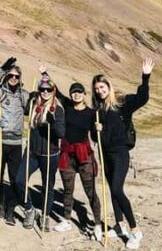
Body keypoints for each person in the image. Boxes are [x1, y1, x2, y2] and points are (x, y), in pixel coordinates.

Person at [92, 59, 154, 250]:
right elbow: (95, 137)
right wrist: (96, 130)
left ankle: (135, 230)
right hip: (105, 154)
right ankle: (120, 226)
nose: (99, 91)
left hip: (120, 153)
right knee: (112, 190)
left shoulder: (122, 103)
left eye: (102, 87)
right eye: (96, 89)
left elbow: (142, 98)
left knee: (117, 189)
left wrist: (145, 77)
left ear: (108, 86)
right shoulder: (98, 110)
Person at [13, 77, 65, 231]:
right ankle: (30, 209)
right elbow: (19, 103)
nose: (45, 92)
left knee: (47, 187)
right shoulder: (33, 105)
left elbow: (61, 133)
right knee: (19, 180)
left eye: (49, 89)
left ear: (53, 91)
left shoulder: (57, 109)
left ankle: (45, 216)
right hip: (32, 152)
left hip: (50, 154)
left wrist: (52, 122)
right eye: (42, 89)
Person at [54, 82, 102, 240]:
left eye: (79, 92)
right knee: (68, 190)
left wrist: (97, 129)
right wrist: (45, 74)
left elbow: (94, 137)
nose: (76, 94)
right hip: (67, 155)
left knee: (90, 191)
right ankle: (67, 220)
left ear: (84, 94)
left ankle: (97, 224)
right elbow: (56, 92)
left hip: (84, 156)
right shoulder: (67, 106)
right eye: (73, 92)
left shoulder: (92, 113)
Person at [0, 57, 29, 225]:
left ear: (20, 78)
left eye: (16, 76)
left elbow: (34, 106)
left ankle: (11, 208)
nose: (13, 78)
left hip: (15, 143)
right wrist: (3, 68)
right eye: (10, 75)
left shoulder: (23, 95)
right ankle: (0, 203)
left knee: (15, 178)